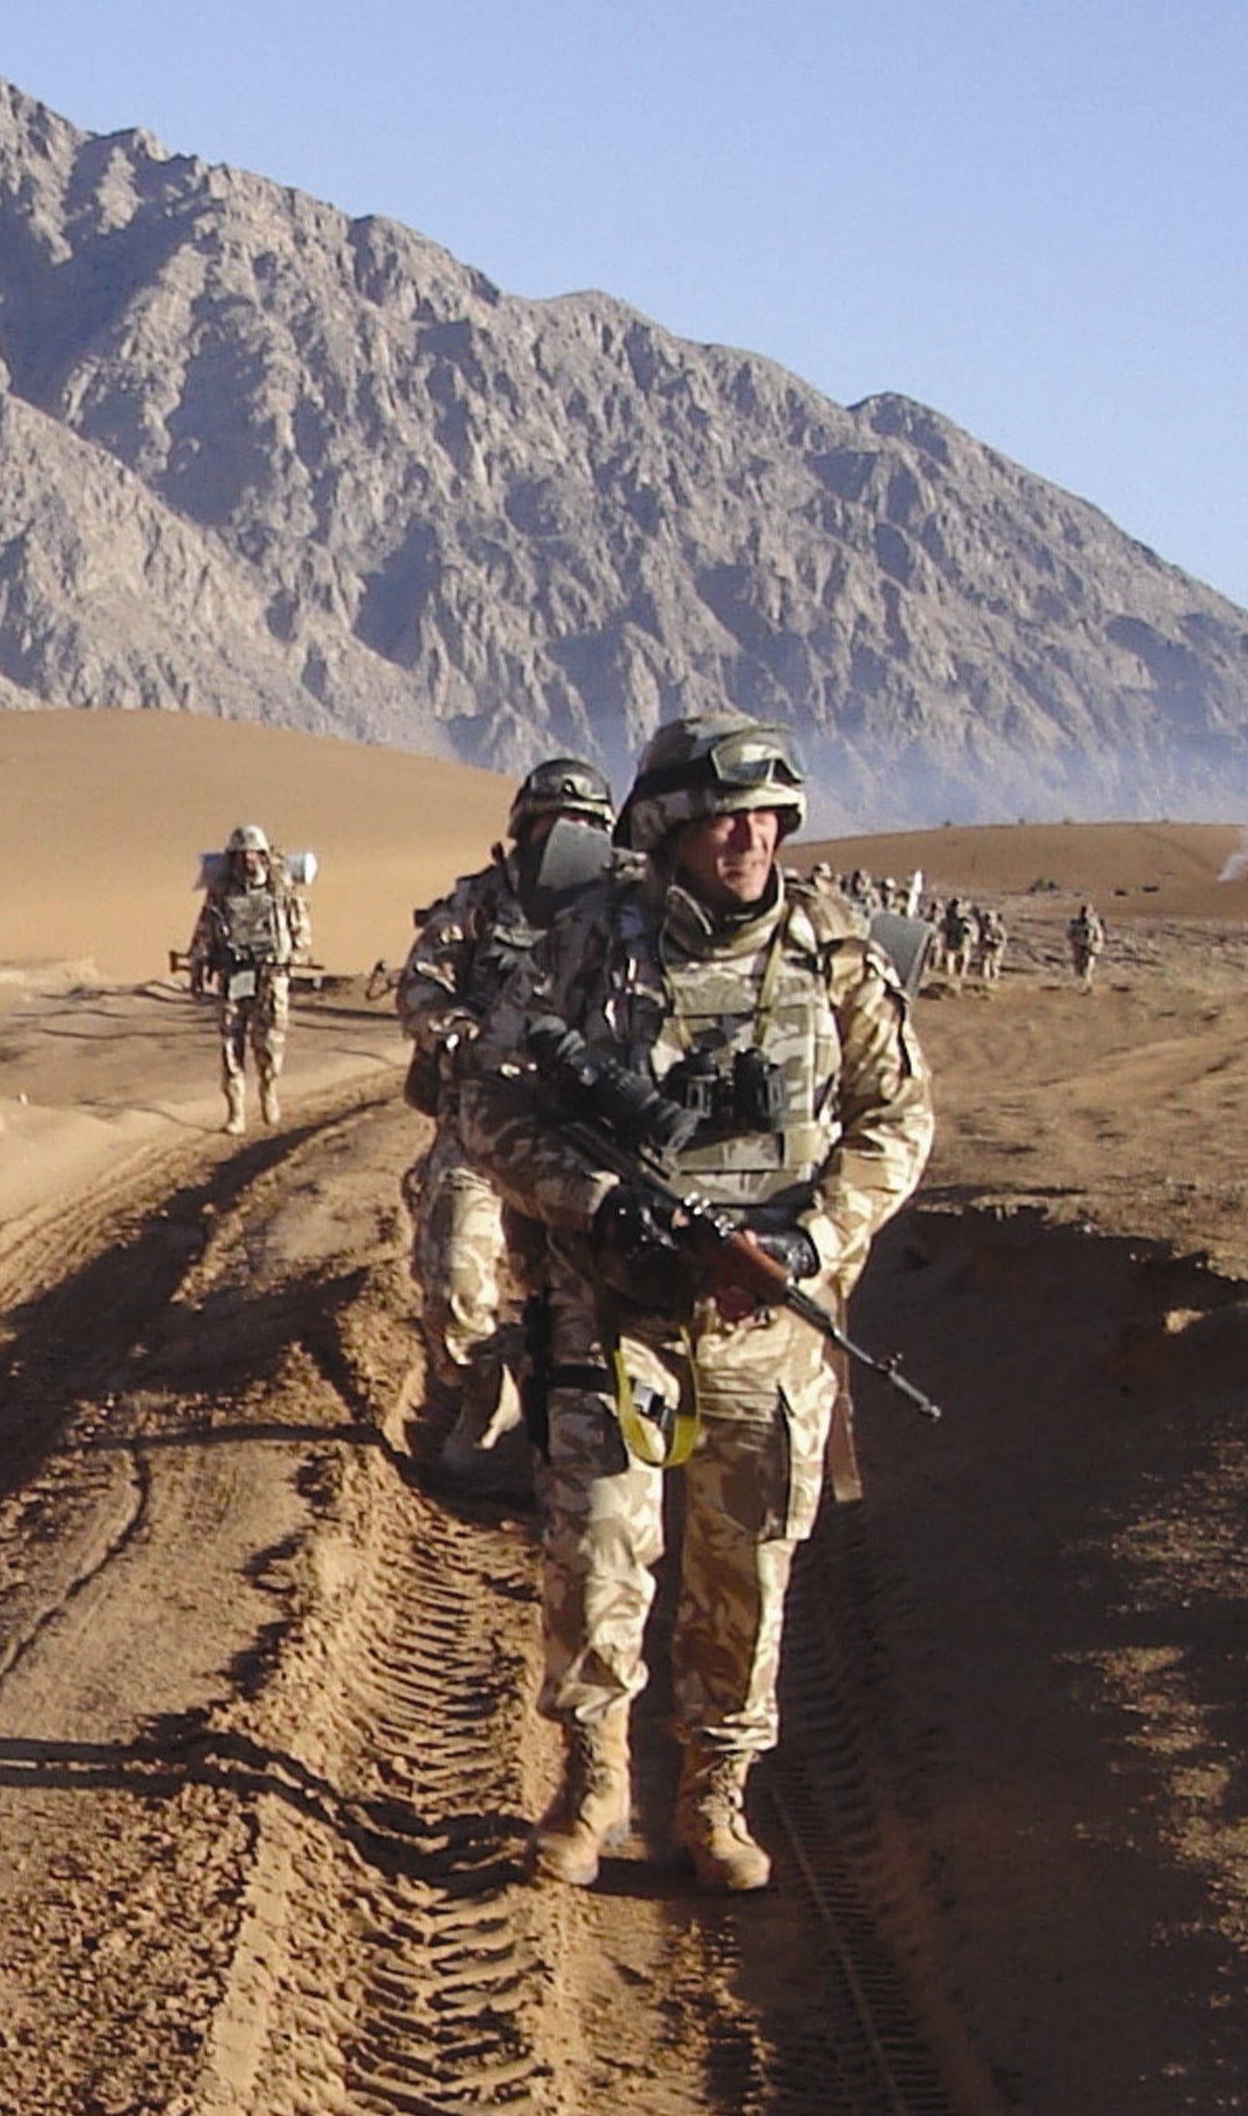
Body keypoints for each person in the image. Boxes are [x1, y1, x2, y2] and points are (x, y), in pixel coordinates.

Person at [477, 710, 933, 1894]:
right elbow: (489, 1105)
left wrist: (812, 1233)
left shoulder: (830, 947)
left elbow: (898, 1120)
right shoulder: (586, 941)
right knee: (595, 1548)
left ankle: (714, 1795)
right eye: (724, 815)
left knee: (748, 1563)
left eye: (767, 815)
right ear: (666, 825)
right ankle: (591, 1784)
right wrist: (589, 1198)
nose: (748, 836)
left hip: (765, 1314)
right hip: (613, 1306)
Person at [394, 755, 620, 1482]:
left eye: (583, 825)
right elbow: (420, 980)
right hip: (482, 1122)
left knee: (581, 1295)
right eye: (553, 821)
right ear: (525, 826)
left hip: (582, 1134)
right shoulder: (484, 901)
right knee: (454, 1279)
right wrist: (457, 1028)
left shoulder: (629, 911)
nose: (566, 837)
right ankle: (480, 1392)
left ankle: (575, 1433)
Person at [191, 823, 305, 1133]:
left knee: (269, 1042)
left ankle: (268, 1090)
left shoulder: (280, 889)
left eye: (253, 853)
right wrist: (198, 963)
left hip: (271, 976)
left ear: (264, 856)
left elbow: (300, 926)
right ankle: (236, 1111)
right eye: (241, 854)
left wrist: (293, 956)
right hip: (233, 976)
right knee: (231, 1044)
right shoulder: (221, 891)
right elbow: (205, 929)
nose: (248, 860)